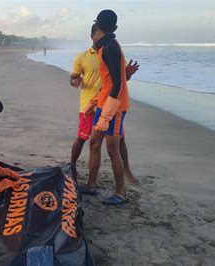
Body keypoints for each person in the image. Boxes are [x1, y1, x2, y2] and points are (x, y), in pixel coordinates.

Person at [69, 24, 139, 188]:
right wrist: (75, 81)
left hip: (111, 105)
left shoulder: (112, 50)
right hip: (90, 105)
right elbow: (73, 78)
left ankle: (126, 172)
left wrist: (126, 74)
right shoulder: (83, 56)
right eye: (101, 32)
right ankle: (72, 165)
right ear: (93, 35)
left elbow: (118, 82)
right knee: (84, 138)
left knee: (118, 141)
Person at [85, 10, 132, 205]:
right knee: (94, 144)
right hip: (104, 104)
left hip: (114, 107)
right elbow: (109, 81)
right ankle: (91, 185)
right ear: (114, 28)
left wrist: (106, 115)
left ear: (97, 26)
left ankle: (120, 193)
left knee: (112, 149)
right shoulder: (104, 47)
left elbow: (118, 84)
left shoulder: (110, 47)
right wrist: (95, 102)